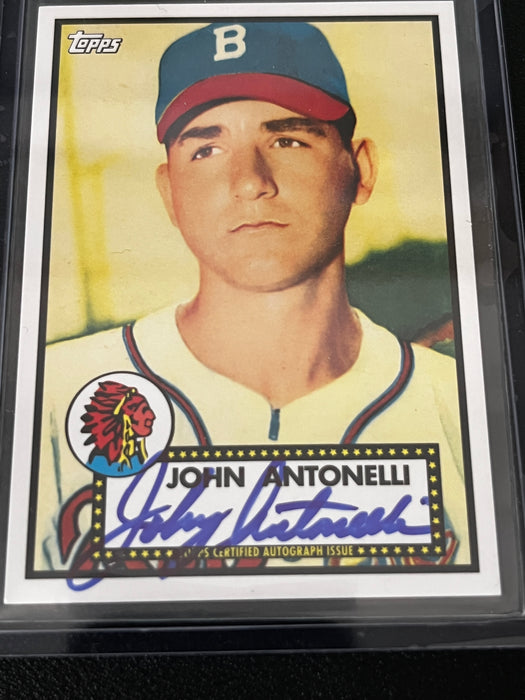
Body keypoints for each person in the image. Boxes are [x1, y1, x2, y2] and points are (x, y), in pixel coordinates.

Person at [35, 22, 468, 572]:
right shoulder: (49, 400)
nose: (249, 181)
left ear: (360, 169)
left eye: (287, 140)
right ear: (169, 192)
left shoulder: (462, 407)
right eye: (207, 149)